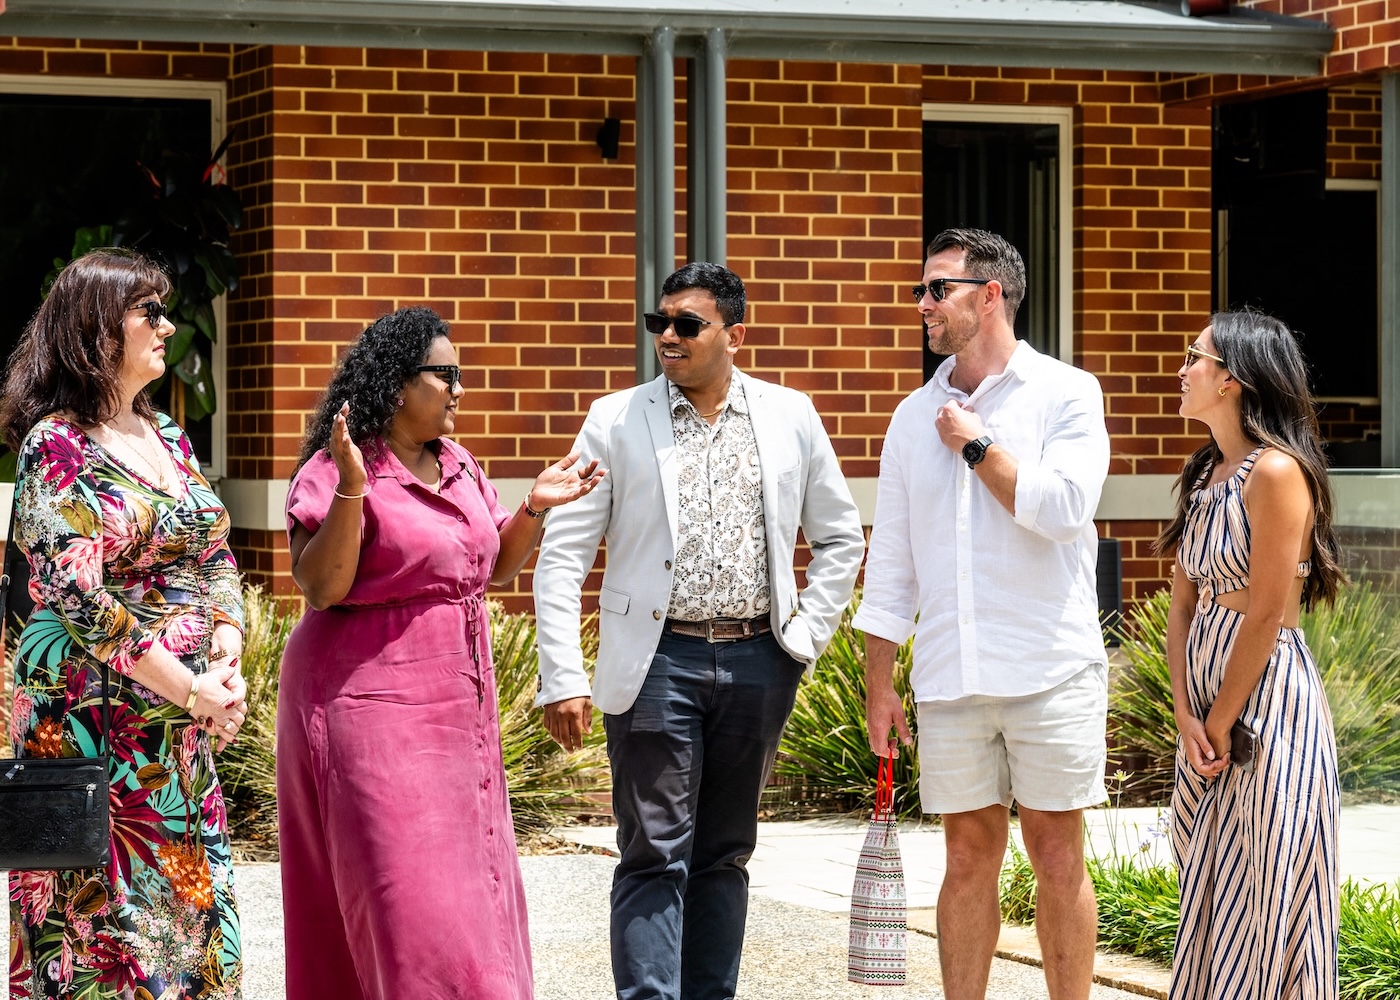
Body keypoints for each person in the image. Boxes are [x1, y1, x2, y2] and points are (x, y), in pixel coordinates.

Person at [533, 262, 864, 1000]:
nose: (668, 337)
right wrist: (563, 675)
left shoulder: (791, 415)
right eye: (661, 323)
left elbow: (841, 538)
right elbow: (562, 558)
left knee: (725, 853)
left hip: (759, 659)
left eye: (688, 324)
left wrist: (802, 638)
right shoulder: (615, 419)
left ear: (735, 335)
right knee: (654, 850)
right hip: (657, 662)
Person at [277, 305, 603, 1000]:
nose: (459, 388)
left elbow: (490, 568)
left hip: (457, 714)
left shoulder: (459, 464)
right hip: (367, 708)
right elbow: (323, 587)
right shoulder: (338, 467)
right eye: (445, 375)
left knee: (468, 892)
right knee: (405, 903)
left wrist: (535, 508)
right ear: (398, 384)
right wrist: (354, 486)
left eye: (460, 375)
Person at [857, 227, 1110, 1000]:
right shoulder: (912, 416)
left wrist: (976, 446)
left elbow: (1064, 510)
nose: (923, 304)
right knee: (966, 857)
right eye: (922, 290)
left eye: (939, 289)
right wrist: (879, 684)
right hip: (951, 673)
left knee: (1057, 854)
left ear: (990, 295)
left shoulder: (1066, 392)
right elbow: (891, 561)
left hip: (1050, 668)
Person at [2, 248, 248, 999]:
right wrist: (189, 688)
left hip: (177, 736)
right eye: (151, 312)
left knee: (191, 937)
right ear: (98, 327)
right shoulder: (56, 445)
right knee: (102, 946)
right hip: (93, 733)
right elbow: (78, 598)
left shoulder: (167, 432)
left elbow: (213, 552)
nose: (169, 326)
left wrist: (226, 657)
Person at [1158, 309, 1343, 999]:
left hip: (1268, 703)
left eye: (1194, 358)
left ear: (1232, 378)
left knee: (1266, 887)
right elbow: (1182, 606)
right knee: (1210, 880)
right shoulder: (1205, 472)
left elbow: (1266, 612)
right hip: (1207, 705)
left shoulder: (1276, 473)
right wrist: (1186, 715)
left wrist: (1218, 718)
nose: (1181, 371)